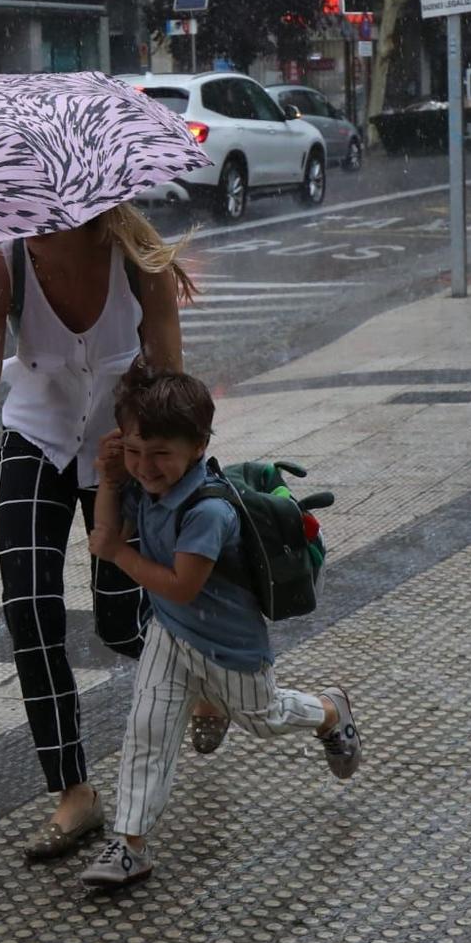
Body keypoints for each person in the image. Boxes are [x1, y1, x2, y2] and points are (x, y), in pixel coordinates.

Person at [0, 205, 227, 862]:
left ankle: (205, 675)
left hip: (123, 451)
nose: (26, 212)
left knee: (121, 624)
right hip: (35, 438)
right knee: (30, 610)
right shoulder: (1, 269)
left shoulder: (141, 268)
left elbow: (173, 391)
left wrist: (148, 471)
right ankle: (73, 789)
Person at [77, 365, 361, 890]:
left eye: (161, 453)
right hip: (169, 631)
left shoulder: (208, 511)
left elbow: (180, 583)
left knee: (264, 717)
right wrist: (109, 477)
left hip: (225, 643)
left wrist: (116, 553)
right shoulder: (144, 484)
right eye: (136, 451)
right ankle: (130, 845)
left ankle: (328, 709)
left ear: (198, 445)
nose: (146, 466)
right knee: (148, 727)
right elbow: (107, 528)